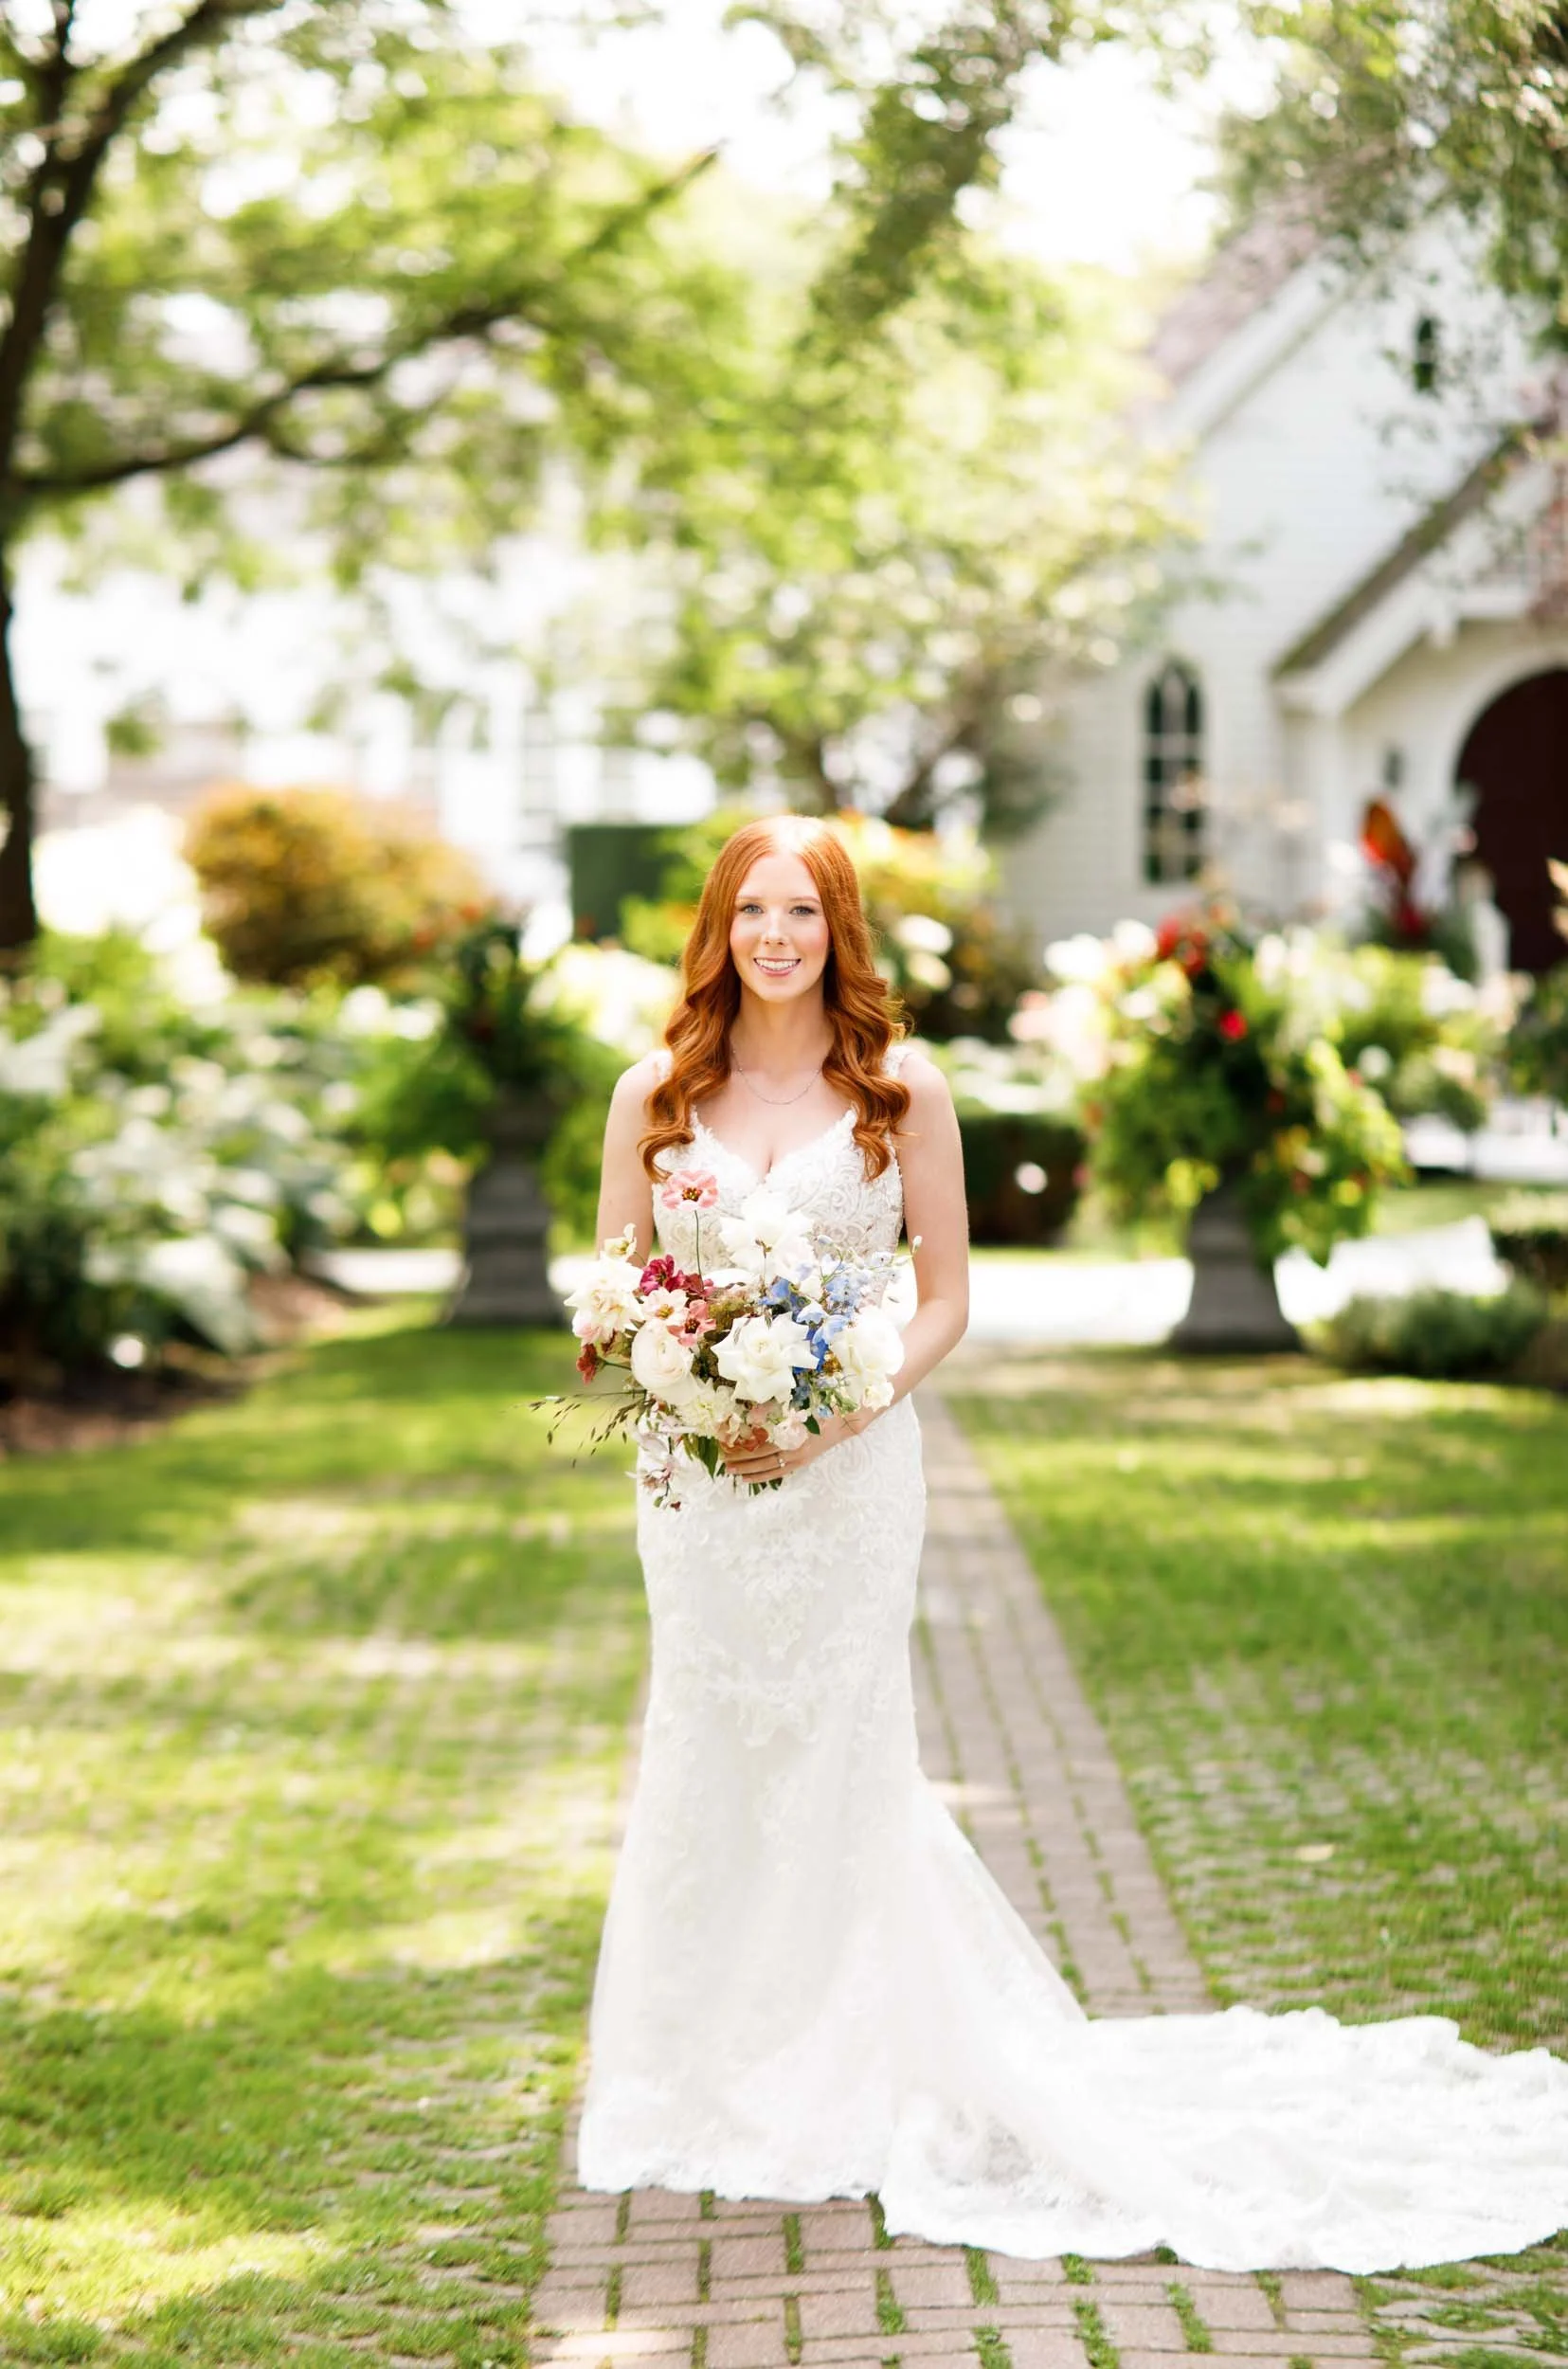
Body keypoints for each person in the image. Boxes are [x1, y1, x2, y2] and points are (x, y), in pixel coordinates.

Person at [575, 811, 1568, 2270]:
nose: (774, 935)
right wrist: (664, 1361)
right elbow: (610, 1287)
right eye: (750, 910)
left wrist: (837, 1412)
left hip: (848, 1473)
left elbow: (943, 1298)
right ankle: (700, 2071)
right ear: (716, 926)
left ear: (837, 929)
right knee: (712, 1741)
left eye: (801, 910)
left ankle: (849, 2075)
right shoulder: (653, 1089)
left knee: (842, 1745)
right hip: (700, 1485)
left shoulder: (901, 1089)